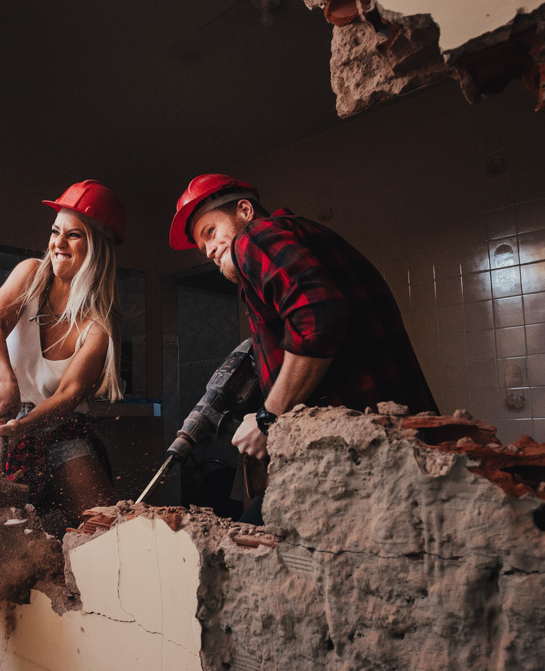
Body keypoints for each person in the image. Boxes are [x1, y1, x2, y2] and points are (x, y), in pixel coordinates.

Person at [168, 174, 438, 467]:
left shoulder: (255, 236)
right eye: (203, 247)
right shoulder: (303, 235)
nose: (209, 251)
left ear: (244, 210)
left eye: (210, 231)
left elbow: (318, 316)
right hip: (398, 440)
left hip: (366, 450)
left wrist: (268, 418)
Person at [0, 180, 125, 532]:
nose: (58, 244)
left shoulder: (98, 327)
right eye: (55, 231)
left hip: (59, 426)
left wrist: (26, 425)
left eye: (74, 235)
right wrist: (5, 382)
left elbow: (68, 395)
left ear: (97, 249)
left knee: (104, 526)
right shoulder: (31, 273)